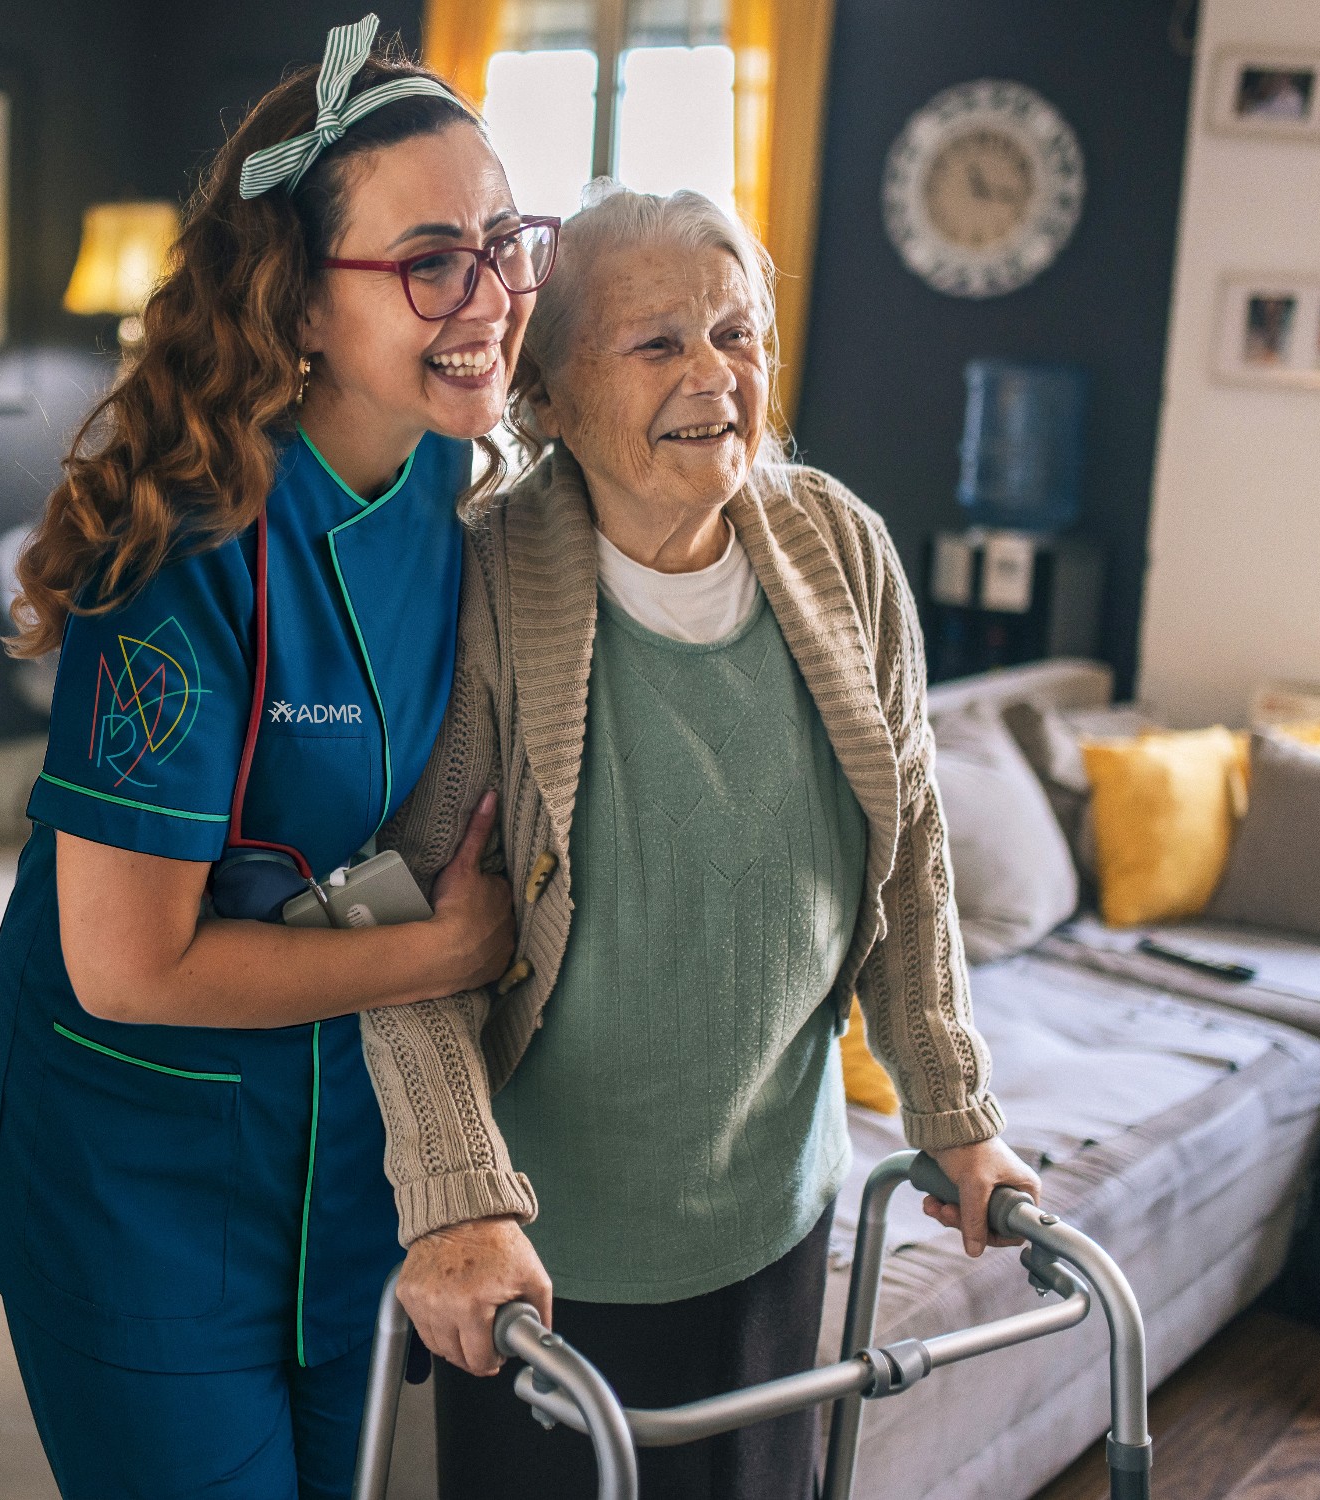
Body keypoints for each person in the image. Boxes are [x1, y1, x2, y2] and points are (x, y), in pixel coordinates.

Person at [359, 183, 1043, 1499]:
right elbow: (396, 924)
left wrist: (953, 1109)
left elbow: (906, 862)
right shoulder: (485, 587)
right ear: (547, 395)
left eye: (737, 336)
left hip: (774, 1217)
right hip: (541, 1248)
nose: (714, 374)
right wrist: (452, 1194)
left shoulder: (838, 546)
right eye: (659, 341)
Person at [0, 17, 558, 1497]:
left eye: (503, 242)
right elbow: (128, 966)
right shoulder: (177, 553)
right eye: (432, 259)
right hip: (143, 1189)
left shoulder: (452, 482)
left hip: (347, 1172)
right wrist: (445, 953)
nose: (488, 297)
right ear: (299, 305)